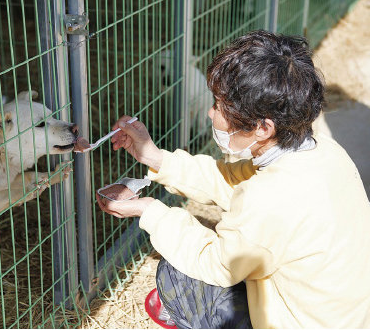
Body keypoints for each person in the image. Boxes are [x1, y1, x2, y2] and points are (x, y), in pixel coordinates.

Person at [96, 30, 370, 328]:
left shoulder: (271, 198)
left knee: (178, 274)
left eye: (220, 107)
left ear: (263, 128)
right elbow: (230, 180)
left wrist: (148, 211)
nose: (211, 114)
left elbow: (217, 264)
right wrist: (155, 158)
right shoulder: (322, 150)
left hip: (301, 323)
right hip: (341, 316)